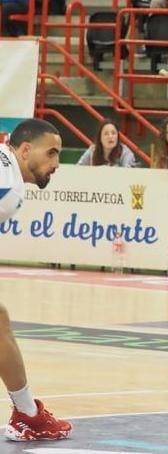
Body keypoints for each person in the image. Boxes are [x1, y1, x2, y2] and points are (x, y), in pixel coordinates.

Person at [0, 119, 73, 440]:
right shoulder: (9, 189)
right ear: (26, 149)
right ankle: (28, 414)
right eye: (51, 153)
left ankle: (28, 413)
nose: (56, 164)